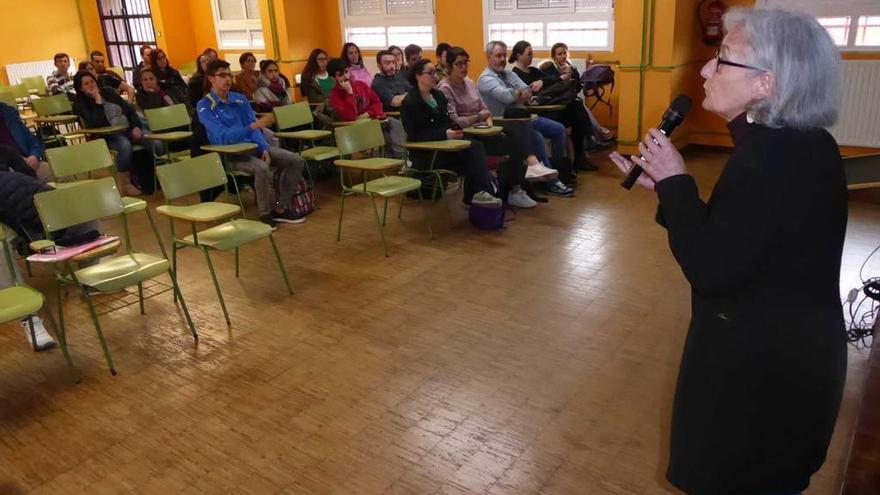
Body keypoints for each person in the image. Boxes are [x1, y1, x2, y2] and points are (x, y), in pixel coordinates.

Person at [609, 8, 848, 495]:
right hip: (790, 362)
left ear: (766, 83)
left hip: (759, 382)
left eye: (722, 59)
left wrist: (677, 184)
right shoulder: (801, 145)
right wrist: (671, 190)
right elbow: (742, 239)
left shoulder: (771, 158)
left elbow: (712, 268)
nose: (703, 70)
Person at [438, 46, 557, 206]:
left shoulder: (470, 83)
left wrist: (485, 120)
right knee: (482, 146)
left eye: (466, 63)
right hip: (464, 136)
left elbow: (484, 107)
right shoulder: (445, 88)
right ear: (450, 66)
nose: (464, 67)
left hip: (482, 130)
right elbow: (457, 121)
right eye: (459, 64)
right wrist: (479, 117)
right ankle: (478, 193)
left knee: (514, 141)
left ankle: (516, 189)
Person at [197, 59, 307, 227]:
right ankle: (265, 215)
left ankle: (282, 208)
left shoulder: (239, 100)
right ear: (211, 78)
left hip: (254, 148)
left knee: (296, 160)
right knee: (261, 168)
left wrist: (263, 147)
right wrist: (253, 126)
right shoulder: (205, 106)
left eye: (229, 75)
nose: (227, 79)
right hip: (230, 156)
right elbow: (222, 137)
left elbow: (256, 129)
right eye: (222, 75)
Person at [478, 41, 573, 196]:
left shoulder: (508, 73)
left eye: (504, 55)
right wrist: (517, 94)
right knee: (536, 136)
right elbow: (507, 97)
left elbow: (527, 91)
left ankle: (555, 171)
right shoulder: (485, 79)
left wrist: (517, 94)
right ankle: (551, 182)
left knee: (559, 129)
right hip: (504, 122)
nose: (502, 59)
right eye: (498, 56)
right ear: (489, 57)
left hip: (524, 117)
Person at [401, 58, 497, 207]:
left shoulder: (438, 96)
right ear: (418, 76)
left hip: (447, 146)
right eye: (430, 73)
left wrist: (454, 130)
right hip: (428, 153)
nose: (435, 76)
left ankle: (477, 194)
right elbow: (415, 135)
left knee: (476, 146)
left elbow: (446, 123)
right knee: (473, 156)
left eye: (436, 72)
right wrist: (445, 134)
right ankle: (477, 194)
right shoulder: (410, 102)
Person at [509, 40, 597, 172]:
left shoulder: (533, 70)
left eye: (532, 53)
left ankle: (578, 158)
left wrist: (542, 81)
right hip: (540, 109)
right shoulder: (515, 74)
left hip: (551, 103)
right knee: (575, 111)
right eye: (529, 54)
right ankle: (574, 159)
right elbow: (530, 90)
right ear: (518, 56)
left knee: (576, 106)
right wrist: (545, 82)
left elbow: (556, 79)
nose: (532, 56)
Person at [72, 70, 147, 196]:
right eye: (86, 84)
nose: (91, 85)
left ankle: (153, 178)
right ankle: (125, 183)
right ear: (80, 88)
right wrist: (97, 100)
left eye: (92, 81)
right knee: (124, 145)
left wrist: (135, 126)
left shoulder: (108, 92)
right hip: (106, 136)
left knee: (154, 142)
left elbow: (129, 110)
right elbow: (96, 123)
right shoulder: (80, 104)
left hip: (127, 129)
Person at [327, 58, 406, 158]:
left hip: (371, 119)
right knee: (383, 136)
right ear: (333, 78)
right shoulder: (334, 95)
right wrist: (349, 93)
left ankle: (401, 158)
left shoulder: (361, 85)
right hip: (353, 128)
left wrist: (366, 114)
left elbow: (378, 104)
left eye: (347, 72)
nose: (345, 76)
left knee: (395, 123)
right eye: (340, 75)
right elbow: (350, 116)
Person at [541, 42, 615, 144]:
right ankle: (596, 133)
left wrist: (571, 73)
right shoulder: (548, 68)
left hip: (569, 99)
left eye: (564, 53)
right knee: (580, 107)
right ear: (554, 56)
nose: (563, 56)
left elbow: (578, 87)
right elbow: (551, 87)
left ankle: (593, 136)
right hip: (557, 100)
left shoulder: (571, 67)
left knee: (580, 106)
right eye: (559, 54)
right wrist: (562, 77)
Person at [0, 102, 52, 182]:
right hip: (6, 169)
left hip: (30, 162)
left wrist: (34, 156)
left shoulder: (9, 113)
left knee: (61, 176)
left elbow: (32, 140)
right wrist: (16, 159)